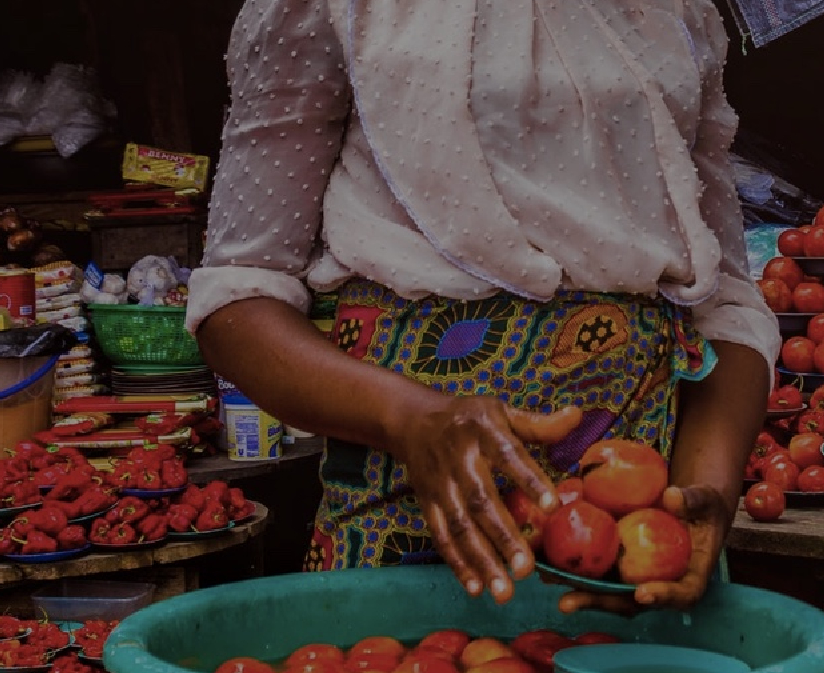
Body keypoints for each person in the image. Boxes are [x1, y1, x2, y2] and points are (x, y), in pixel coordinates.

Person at [186, 0, 777, 614]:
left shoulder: (678, 13)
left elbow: (725, 302)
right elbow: (237, 297)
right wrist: (412, 419)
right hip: (407, 508)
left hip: (629, 541)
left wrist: (702, 494)